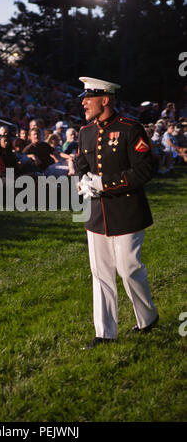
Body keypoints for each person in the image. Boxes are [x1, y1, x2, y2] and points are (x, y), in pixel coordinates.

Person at [75, 76, 159, 349]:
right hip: (97, 214)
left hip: (126, 210)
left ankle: (147, 318)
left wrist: (105, 183)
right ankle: (105, 332)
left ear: (106, 100)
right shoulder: (85, 131)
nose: (84, 103)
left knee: (128, 269)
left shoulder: (130, 129)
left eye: (89, 97)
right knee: (100, 273)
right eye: (84, 98)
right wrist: (83, 180)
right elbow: (81, 163)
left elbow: (145, 170)